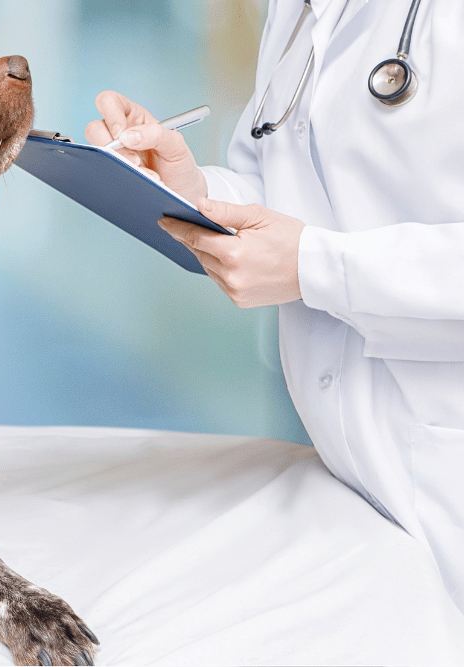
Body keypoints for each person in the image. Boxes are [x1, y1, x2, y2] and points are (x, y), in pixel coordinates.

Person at [88, 0, 464, 611]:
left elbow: (311, 250)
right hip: (356, 482)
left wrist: (314, 267)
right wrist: (191, 189)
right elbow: (288, 188)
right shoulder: (296, 10)